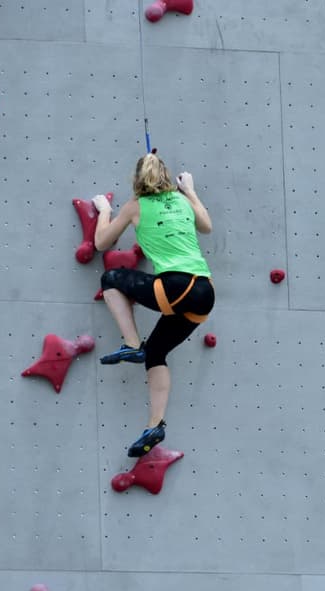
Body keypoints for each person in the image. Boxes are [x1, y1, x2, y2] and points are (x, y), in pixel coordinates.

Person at [93, 152, 214, 458]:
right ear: (166, 176)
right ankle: (154, 425)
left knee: (111, 279)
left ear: (136, 179)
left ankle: (132, 343)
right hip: (204, 292)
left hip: (174, 287)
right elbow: (206, 226)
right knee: (157, 353)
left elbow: (101, 243)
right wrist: (190, 191)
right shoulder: (183, 200)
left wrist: (105, 210)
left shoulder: (135, 206)